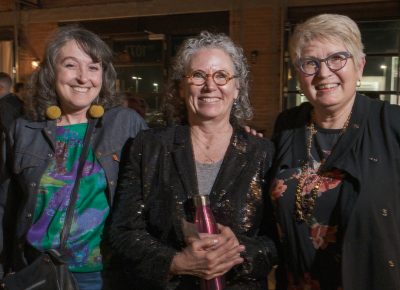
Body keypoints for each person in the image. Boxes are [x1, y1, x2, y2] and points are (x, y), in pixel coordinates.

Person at [107, 31, 278, 290]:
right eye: (198, 75)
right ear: (180, 87)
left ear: (237, 87)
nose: (210, 86)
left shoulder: (263, 152)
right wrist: (176, 262)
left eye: (222, 76)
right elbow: (123, 231)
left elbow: (277, 239)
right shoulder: (148, 146)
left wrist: (239, 253)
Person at [0, 26, 147, 290]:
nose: (83, 77)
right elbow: (5, 209)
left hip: (104, 276)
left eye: (93, 67)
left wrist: (232, 133)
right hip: (36, 272)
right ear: (50, 72)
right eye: (70, 65)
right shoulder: (24, 130)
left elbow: (167, 167)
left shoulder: (125, 124)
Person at [270, 14, 400, 290]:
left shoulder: (392, 125)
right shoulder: (287, 125)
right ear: (297, 74)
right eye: (310, 63)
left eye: (337, 58)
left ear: (360, 66)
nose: (324, 73)